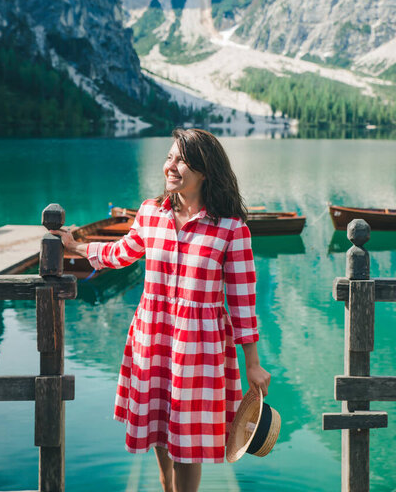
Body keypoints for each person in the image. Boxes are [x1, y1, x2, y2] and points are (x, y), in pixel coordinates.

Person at [53, 128, 271, 492]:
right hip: (152, 334)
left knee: (189, 438)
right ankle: (165, 485)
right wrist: (78, 248)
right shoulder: (151, 213)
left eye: (180, 160)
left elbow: (242, 300)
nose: (170, 167)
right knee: (158, 423)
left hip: (199, 345)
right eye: (169, 158)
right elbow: (122, 251)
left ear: (205, 170)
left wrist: (252, 362)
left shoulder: (232, 229)